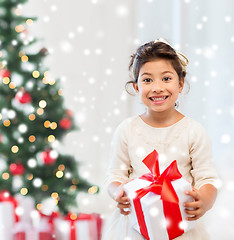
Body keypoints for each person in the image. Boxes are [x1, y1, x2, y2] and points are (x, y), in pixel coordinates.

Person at [102, 39, 219, 240]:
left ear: (180, 83)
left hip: (181, 227)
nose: (157, 88)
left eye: (166, 79)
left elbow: (207, 178)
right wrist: (117, 192)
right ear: (136, 87)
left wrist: (205, 200)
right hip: (135, 227)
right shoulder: (127, 130)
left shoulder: (193, 131)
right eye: (147, 80)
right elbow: (114, 175)